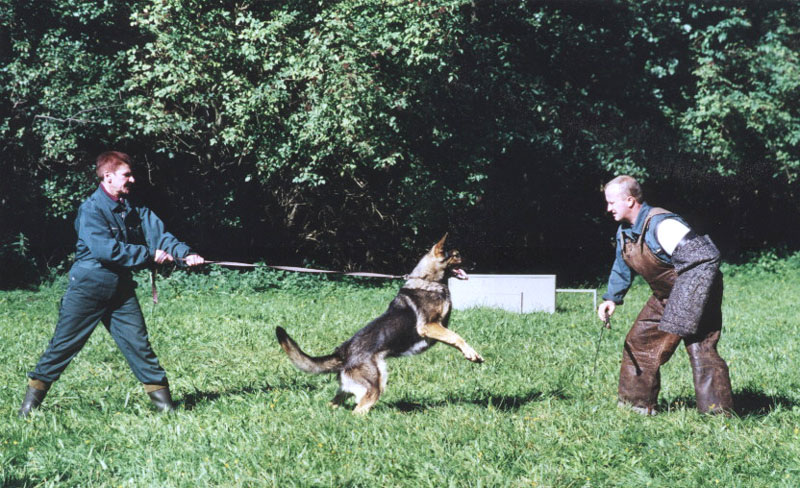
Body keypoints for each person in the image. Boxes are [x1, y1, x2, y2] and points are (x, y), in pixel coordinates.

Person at [18, 151, 205, 417]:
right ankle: (27, 411)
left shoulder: (134, 207)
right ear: (108, 176)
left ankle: (167, 410)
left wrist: (186, 254)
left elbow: (161, 236)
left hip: (121, 290)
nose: (132, 179)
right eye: (126, 175)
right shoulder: (91, 209)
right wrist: (149, 255)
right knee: (63, 347)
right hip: (88, 288)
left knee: (140, 347)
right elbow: (106, 250)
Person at [597, 175, 733, 415]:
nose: (608, 209)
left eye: (611, 203)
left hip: (699, 291)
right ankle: (636, 407)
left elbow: (705, 257)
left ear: (630, 200)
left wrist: (684, 307)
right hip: (664, 295)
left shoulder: (663, 225)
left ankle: (717, 413)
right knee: (638, 343)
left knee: (700, 348)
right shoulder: (625, 232)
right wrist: (611, 298)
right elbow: (621, 265)